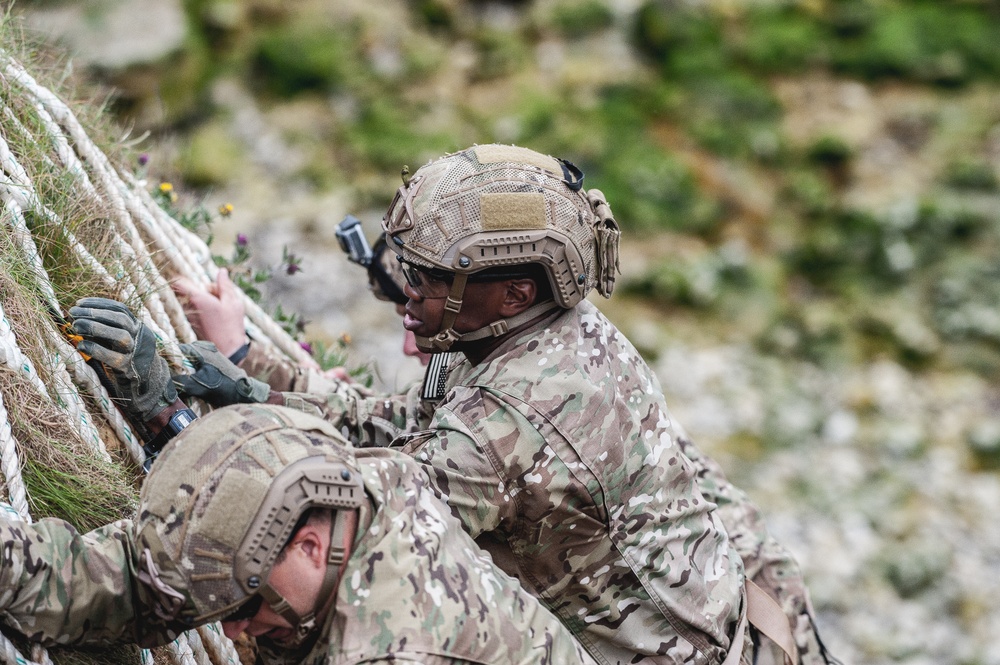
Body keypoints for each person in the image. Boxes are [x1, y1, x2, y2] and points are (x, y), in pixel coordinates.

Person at [84, 145, 835, 664]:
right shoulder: (524, 336)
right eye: (410, 269)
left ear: (514, 290)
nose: (409, 293)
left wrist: (180, 424)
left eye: (435, 277)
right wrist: (254, 381)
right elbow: (407, 431)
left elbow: (357, 515)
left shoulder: (525, 413)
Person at [0, 397, 598, 664]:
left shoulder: (390, 647)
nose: (229, 626)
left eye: (243, 604)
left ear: (311, 547)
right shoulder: (343, 494)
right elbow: (127, 582)